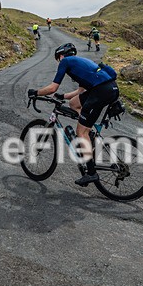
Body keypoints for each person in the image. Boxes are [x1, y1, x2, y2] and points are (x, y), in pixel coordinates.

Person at [32, 43, 119, 186]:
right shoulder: (81, 62)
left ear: (60, 56)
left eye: (57, 59)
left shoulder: (65, 62)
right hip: (110, 88)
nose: (59, 62)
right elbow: (80, 92)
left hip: (101, 91)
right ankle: (87, 135)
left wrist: (36, 93)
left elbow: (52, 87)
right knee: (74, 103)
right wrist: (63, 96)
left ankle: (91, 173)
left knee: (81, 131)